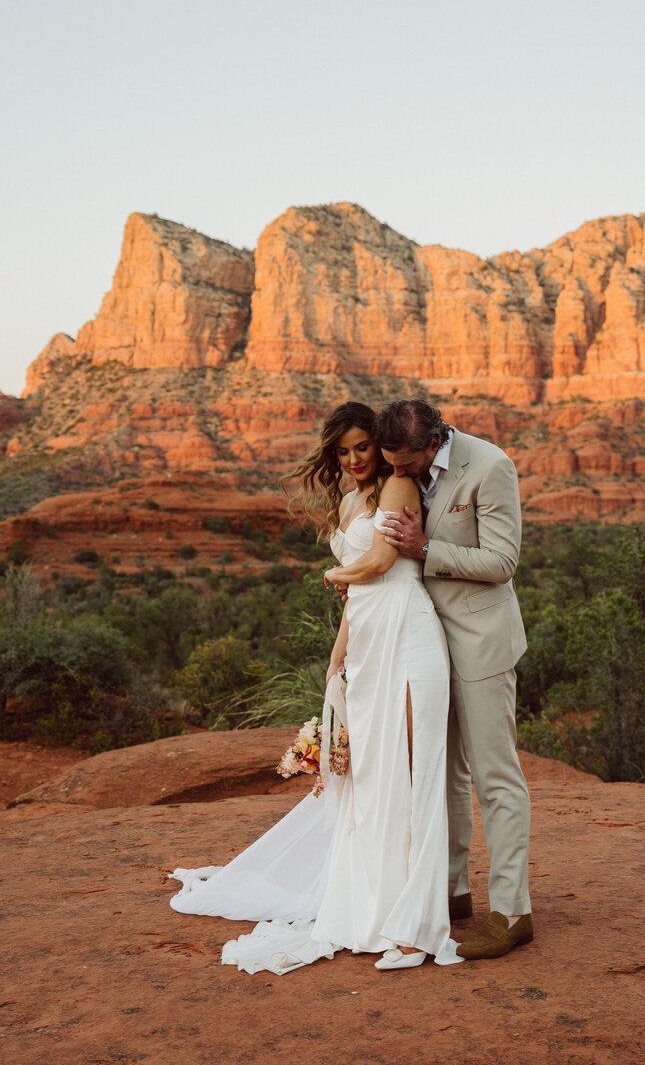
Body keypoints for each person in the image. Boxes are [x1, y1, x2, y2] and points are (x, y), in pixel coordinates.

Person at [168, 402, 462, 973]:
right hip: (369, 641)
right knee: (373, 781)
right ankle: (378, 910)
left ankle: (417, 930)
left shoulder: (398, 487)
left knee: (412, 776)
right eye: (342, 451)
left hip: (408, 634)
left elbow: (381, 561)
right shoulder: (350, 501)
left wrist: (333, 573)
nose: (353, 460)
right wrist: (337, 658)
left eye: (362, 447)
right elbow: (358, 595)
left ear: (380, 444)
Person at [372, 399, 533, 960]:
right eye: (391, 463)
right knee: (443, 774)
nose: (397, 472)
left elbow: (503, 562)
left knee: (495, 778)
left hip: (482, 641)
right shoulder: (401, 466)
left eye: (405, 463)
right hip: (425, 645)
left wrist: (425, 549)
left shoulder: (490, 466)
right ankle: (451, 890)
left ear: (435, 442)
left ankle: (513, 912)